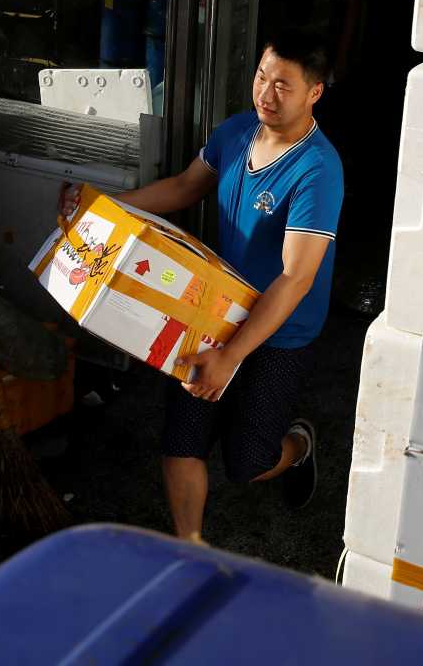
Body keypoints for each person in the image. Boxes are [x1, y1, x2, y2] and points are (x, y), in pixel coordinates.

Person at [62, 27, 343, 542]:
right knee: (182, 442)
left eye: (283, 85)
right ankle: (189, 545)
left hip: (282, 329)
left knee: (247, 461)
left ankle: (300, 445)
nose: (266, 94)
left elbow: (295, 278)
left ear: (314, 93)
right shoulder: (237, 131)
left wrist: (231, 357)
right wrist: (104, 207)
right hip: (213, 309)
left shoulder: (318, 169)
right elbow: (185, 187)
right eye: (262, 78)